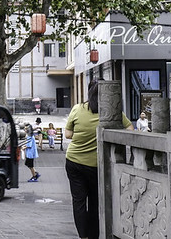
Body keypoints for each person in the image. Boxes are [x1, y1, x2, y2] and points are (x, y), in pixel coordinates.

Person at [65, 80, 133, 239]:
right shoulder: (112, 113)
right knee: (95, 202)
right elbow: (130, 129)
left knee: (79, 201)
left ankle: (83, 236)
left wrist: (82, 135)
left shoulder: (77, 108)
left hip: (74, 162)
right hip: (96, 166)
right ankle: (94, 235)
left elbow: (68, 134)